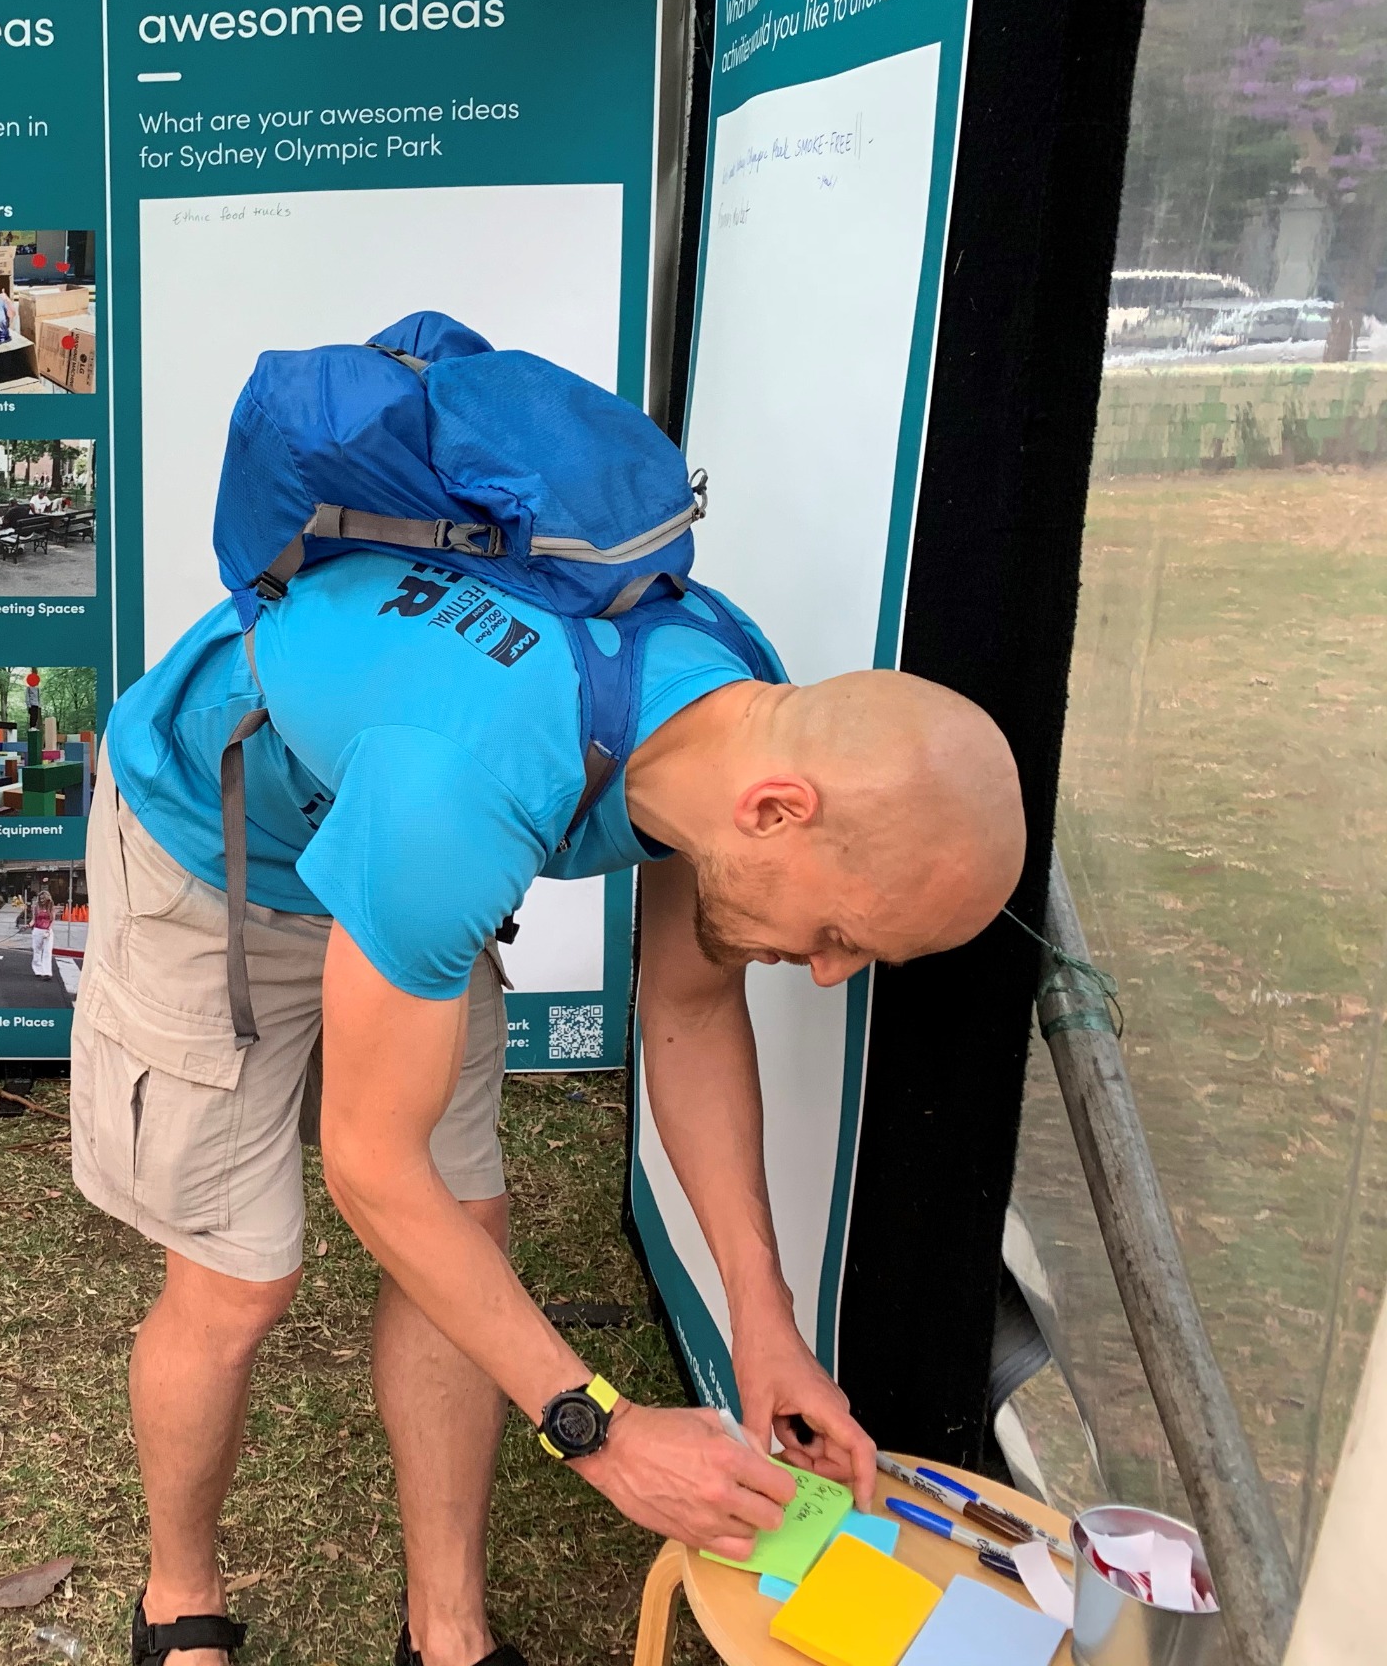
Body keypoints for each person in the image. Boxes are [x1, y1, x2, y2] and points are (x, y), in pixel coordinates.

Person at [78, 534, 1025, 1663]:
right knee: (240, 1278)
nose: (828, 973)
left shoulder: (732, 696)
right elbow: (369, 1169)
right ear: (777, 810)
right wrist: (600, 1431)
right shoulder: (462, 792)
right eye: (837, 937)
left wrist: (761, 1321)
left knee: (463, 1232)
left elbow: (691, 1010)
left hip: (412, 837)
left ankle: (446, 1630)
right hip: (219, 845)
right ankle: (179, 1598)